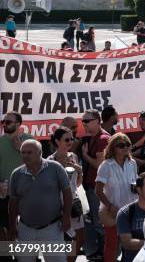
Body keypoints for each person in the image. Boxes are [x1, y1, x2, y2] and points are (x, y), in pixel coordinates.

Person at [8, 139, 72, 262]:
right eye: (23, 152)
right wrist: (12, 226)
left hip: (52, 227)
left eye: (29, 152)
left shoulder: (55, 168)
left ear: (39, 153)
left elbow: (67, 193)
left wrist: (66, 217)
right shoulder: (16, 174)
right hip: (25, 228)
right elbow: (13, 203)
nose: (25, 155)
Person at [95, 132, 139, 262]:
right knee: (112, 245)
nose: (125, 148)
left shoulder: (132, 163)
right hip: (112, 211)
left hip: (131, 210)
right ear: (113, 147)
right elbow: (98, 190)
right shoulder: (106, 165)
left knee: (130, 245)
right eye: (121, 145)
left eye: (128, 145)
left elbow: (135, 183)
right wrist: (110, 206)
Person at [48, 126, 85, 262]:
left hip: (74, 200)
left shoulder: (73, 156)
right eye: (67, 139)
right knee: (64, 238)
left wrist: (79, 171)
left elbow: (78, 184)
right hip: (58, 204)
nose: (71, 142)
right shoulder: (50, 160)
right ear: (57, 141)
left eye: (72, 138)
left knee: (79, 238)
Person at [81, 109, 110, 259]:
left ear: (98, 121)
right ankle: (103, 251)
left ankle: (105, 252)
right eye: (83, 121)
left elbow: (99, 165)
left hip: (98, 188)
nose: (84, 124)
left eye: (87, 121)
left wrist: (85, 156)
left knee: (100, 222)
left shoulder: (102, 139)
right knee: (96, 221)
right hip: (93, 187)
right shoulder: (95, 137)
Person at [0, 112, 33, 241]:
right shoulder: (0, 142)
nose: (4, 124)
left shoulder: (29, 140)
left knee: (29, 228)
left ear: (18, 124)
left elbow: (38, 164)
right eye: (3, 122)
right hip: (4, 194)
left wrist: (20, 149)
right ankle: (8, 256)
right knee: (6, 227)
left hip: (27, 192)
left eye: (8, 122)